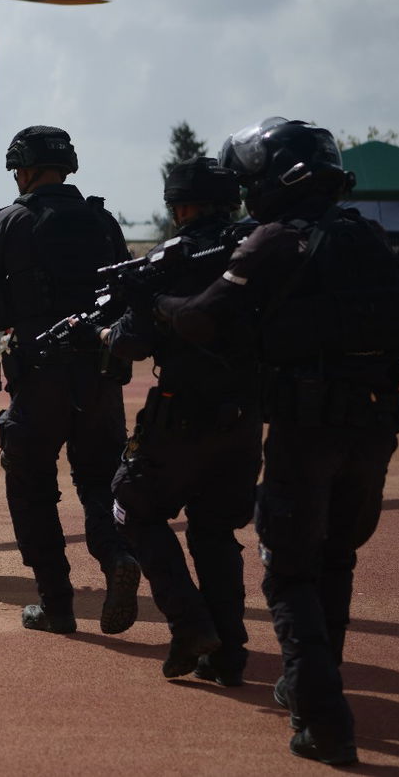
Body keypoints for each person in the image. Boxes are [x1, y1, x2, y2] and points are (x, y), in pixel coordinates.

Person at [155, 118, 399, 766]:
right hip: (378, 422)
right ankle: (307, 683)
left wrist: (153, 301)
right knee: (335, 559)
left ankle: (325, 722)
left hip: (308, 427)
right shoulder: (369, 235)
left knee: (290, 568)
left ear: (274, 181)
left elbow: (200, 320)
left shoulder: (275, 241)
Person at [0, 125, 141, 635]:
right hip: (101, 378)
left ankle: (57, 605)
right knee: (101, 481)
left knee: (32, 487)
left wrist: (16, 310)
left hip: (39, 377)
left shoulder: (11, 221)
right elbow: (127, 293)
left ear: (25, 168)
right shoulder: (103, 220)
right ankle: (115, 557)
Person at [96, 157, 262, 683]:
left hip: (181, 415)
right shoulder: (260, 246)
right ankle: (228, 653)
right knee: (214, 529)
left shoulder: (170, 261)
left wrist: (107, 332)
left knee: (131, 507)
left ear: (182, 206)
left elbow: (136, 339)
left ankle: (189, 624)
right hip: (245, 416)